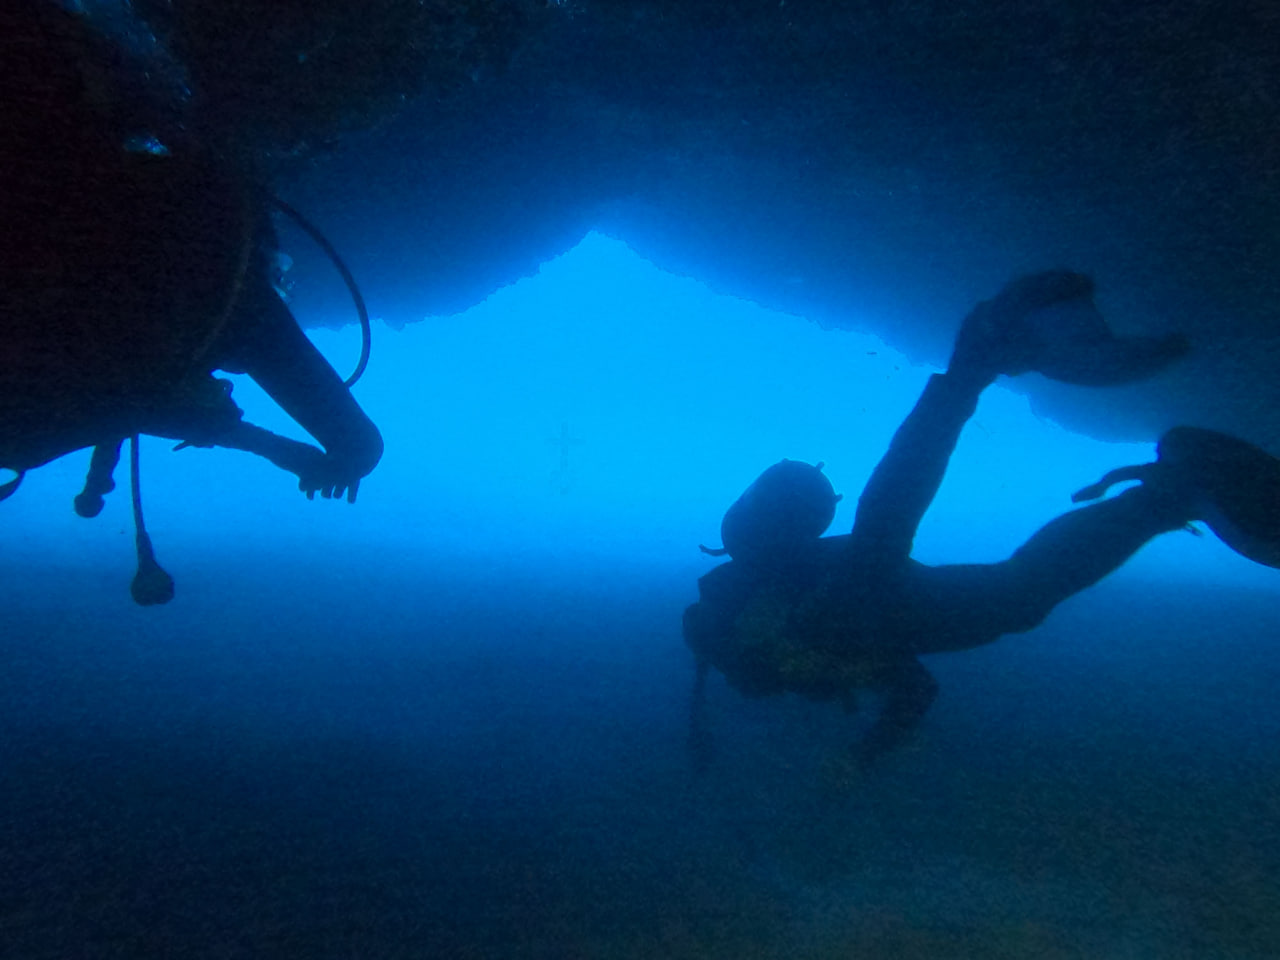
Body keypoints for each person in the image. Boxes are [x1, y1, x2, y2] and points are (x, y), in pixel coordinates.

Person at [683, 271, 1280, 778]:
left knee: (914, 555)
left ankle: (982, 360)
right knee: (1012, 597)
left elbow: (876, 533)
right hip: (885, 611)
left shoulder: (780, 618)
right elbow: (915, 688)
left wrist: (853, 736)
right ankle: (1169, 495)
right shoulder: (830, 640)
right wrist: (863, 753)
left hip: (856, 601)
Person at [0, 4, 383, 599]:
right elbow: (356, 443)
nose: (281, 290)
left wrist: (269, 444)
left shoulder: (155, 230)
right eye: (282, 275)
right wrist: (302, 455)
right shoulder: (225, 285)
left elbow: (119, 388)